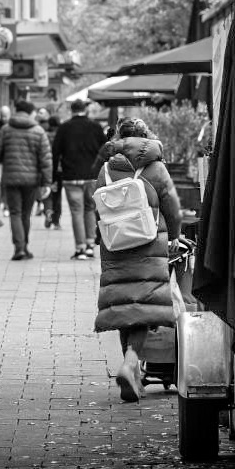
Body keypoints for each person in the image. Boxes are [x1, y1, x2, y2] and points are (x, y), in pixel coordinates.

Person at [91, 117, 182, 402]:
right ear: (146, 136)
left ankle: (132, 372)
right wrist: (175, 236)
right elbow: (171, 205)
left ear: (119, 137)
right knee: (144, 306)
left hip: (116, 244)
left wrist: (102, 235)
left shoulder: (107, 167)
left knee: (123, 305)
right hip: (149, 243)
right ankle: (131, 362)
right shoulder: (156, 167)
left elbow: (98, 206)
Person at [0, 99, 52, 261]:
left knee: (15, 213)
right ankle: (25, 246)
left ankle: (19, 248)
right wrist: (46, 182)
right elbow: (45, 159)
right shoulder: (38, 131)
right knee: (26, 213)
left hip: (11, 179)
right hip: (31, 180)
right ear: (30, 113)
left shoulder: (6, 130)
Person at [53, 100, 107, 259]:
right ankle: (90, 245)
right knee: (90, 209)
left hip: (71, 176)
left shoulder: (64, 128)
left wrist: (54, 177)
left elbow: (55, 152)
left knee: (76, 211)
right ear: (85, 110)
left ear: (71, 110)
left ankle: (80, 248)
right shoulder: (95, 127)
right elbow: (105, 149)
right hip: (91, 176)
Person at [35, 107, 62, 226]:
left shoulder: (44, 135)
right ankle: (56, 220)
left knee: (47, 192)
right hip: (59, 169)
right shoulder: (60, 136)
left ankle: (48, 211)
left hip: (45, 168)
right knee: (57, 194)